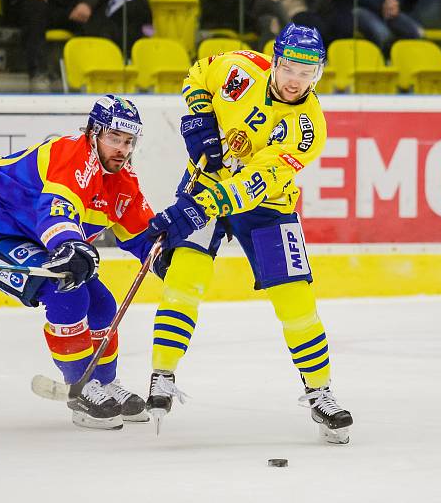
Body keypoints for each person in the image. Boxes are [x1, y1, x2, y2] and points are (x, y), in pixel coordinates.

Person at [143, 23, 353, 444]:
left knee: (297, 301)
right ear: (275, 61)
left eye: (307, 72)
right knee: (184, 281)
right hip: (206, 184)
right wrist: (200, 117)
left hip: (266, 208)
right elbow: (199, 73)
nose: (296, 80)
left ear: (318, 76)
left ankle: (319, 391)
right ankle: (162, 376)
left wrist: (196, 207)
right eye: (290, 67)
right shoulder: (240, 68)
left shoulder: (307, 129)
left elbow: (254, 184)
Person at [0, 95, 161, 430]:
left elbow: (143, 235)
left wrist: (174, 258)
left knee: (102, 303)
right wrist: (69, 244)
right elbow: (55, 209)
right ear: (94, 132)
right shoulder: (70, 154)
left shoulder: (123, 181)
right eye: (114, 138)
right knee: (68, 294)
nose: (121, 148)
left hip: (30, 235)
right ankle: (79, 391)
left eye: (128, 141)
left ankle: (103, 384)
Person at [0, 0, 100, 89]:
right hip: (27, 2)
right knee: (35, 8)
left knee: (99, 15)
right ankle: (38, 73)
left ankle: (98, 74)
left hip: (68, 6)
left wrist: (86, 3)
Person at [330, 0, 422, 57]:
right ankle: (386, 66)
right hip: (353, 7)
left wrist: (395, 1)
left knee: (416, 32)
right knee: (383, 34)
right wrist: (380, 3)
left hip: (384, 7)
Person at [195, 0, 288, 53]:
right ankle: (294, 39)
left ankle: (266, 63)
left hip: (247, 14)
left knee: (270, 21)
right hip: (219, 15)